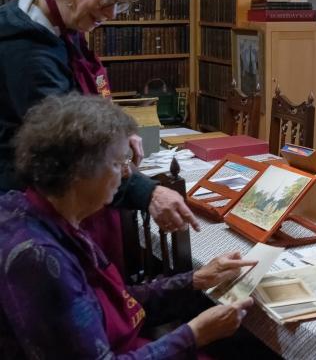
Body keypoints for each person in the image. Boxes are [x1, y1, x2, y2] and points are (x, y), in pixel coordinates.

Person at [0, 93, 257, 358]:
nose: (126, 173)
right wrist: (194, 334)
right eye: (117, 162)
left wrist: (195, 279)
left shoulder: (44, 214)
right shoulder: (39, 258)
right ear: (79, 172)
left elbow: (115, 301)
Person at [0, 0, 198, 271]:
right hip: (36, 209)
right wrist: (148, 193)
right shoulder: (27, 50)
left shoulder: (61, 21)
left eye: (120, 4)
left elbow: (83, 98)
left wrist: (120, 131)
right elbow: (69, 147)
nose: (111, 13)